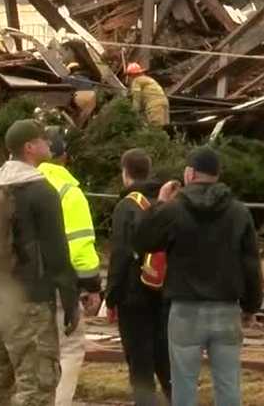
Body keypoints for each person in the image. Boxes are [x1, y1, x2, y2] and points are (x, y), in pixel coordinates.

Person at [133, 147, 262, 406]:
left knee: (183, 384)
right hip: (226, 307)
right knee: (228, 384)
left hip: (185, 308)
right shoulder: (238, 212)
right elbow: (250, 263)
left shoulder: (174, 210)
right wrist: (251, 305)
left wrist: (160, 203)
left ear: (190, 173)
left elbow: (142, 239)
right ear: (217, 175)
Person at [0, 119, 80, 406]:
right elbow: (57, 253)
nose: (49, 144)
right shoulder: (41, 191)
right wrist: (70, 302)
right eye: (43, 139)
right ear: (30, 148)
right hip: (28, 304)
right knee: (35, 387)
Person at [37, 127, 102, 406]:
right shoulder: (69, 192)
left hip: (17, 287)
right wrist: (91, 287)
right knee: (70, 349)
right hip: (58, 288)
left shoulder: (15, 183)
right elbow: (80, 245)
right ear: (65, 158)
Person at [105, 149, 172, 405]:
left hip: (134, 295)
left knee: (140, 364)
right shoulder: (165, 201)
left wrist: (111, 297)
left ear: (125, 173)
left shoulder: (127, 206)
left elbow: (120, 254)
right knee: (166, 361)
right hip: (166, 291)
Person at [126, 63, 170, 127]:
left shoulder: (136, 81)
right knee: (161, 128)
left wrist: (134, 113)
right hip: (164, 103)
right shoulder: (148, 79)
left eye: (129, 75)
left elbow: (136, 97)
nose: (129, 77)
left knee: (154, 129)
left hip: (154, 105)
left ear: (132, 74)